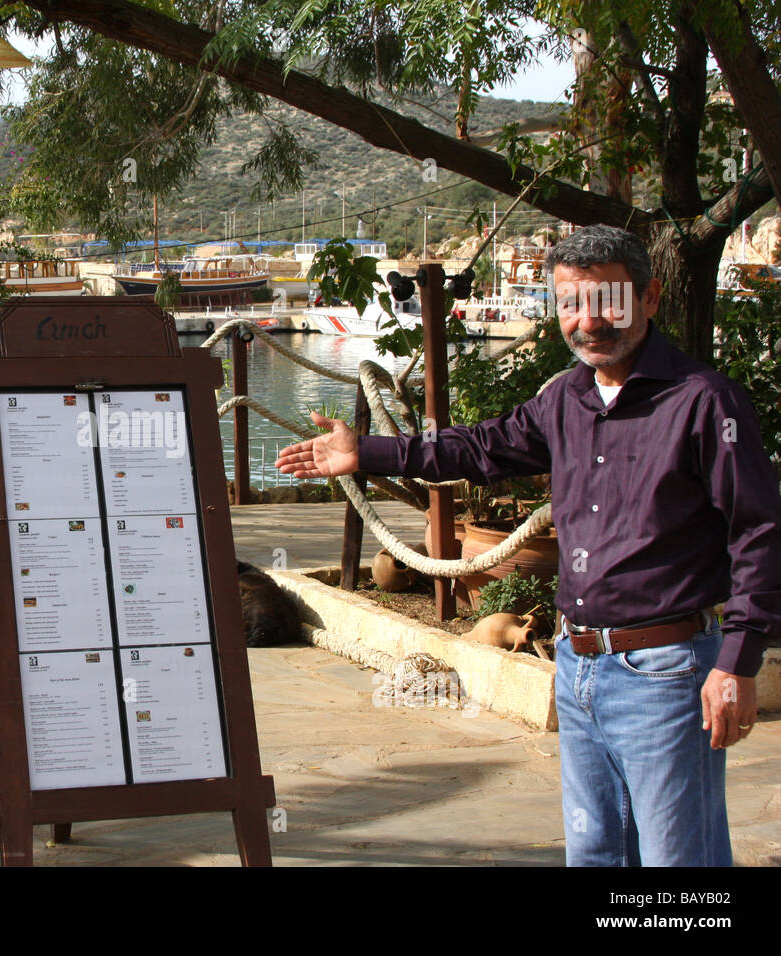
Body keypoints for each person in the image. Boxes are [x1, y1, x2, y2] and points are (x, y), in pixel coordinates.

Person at [275, 225, 781, 866]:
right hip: (577, 666)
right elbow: (477, 448)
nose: (588, 321)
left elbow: (759, 531)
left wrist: (737, 662)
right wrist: (366, 452)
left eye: (607, 302)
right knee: (595, 852)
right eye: (571, 304)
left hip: (667, 672)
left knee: (678, 865)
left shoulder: (704, 402)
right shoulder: (566, 398)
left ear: (650, 297)